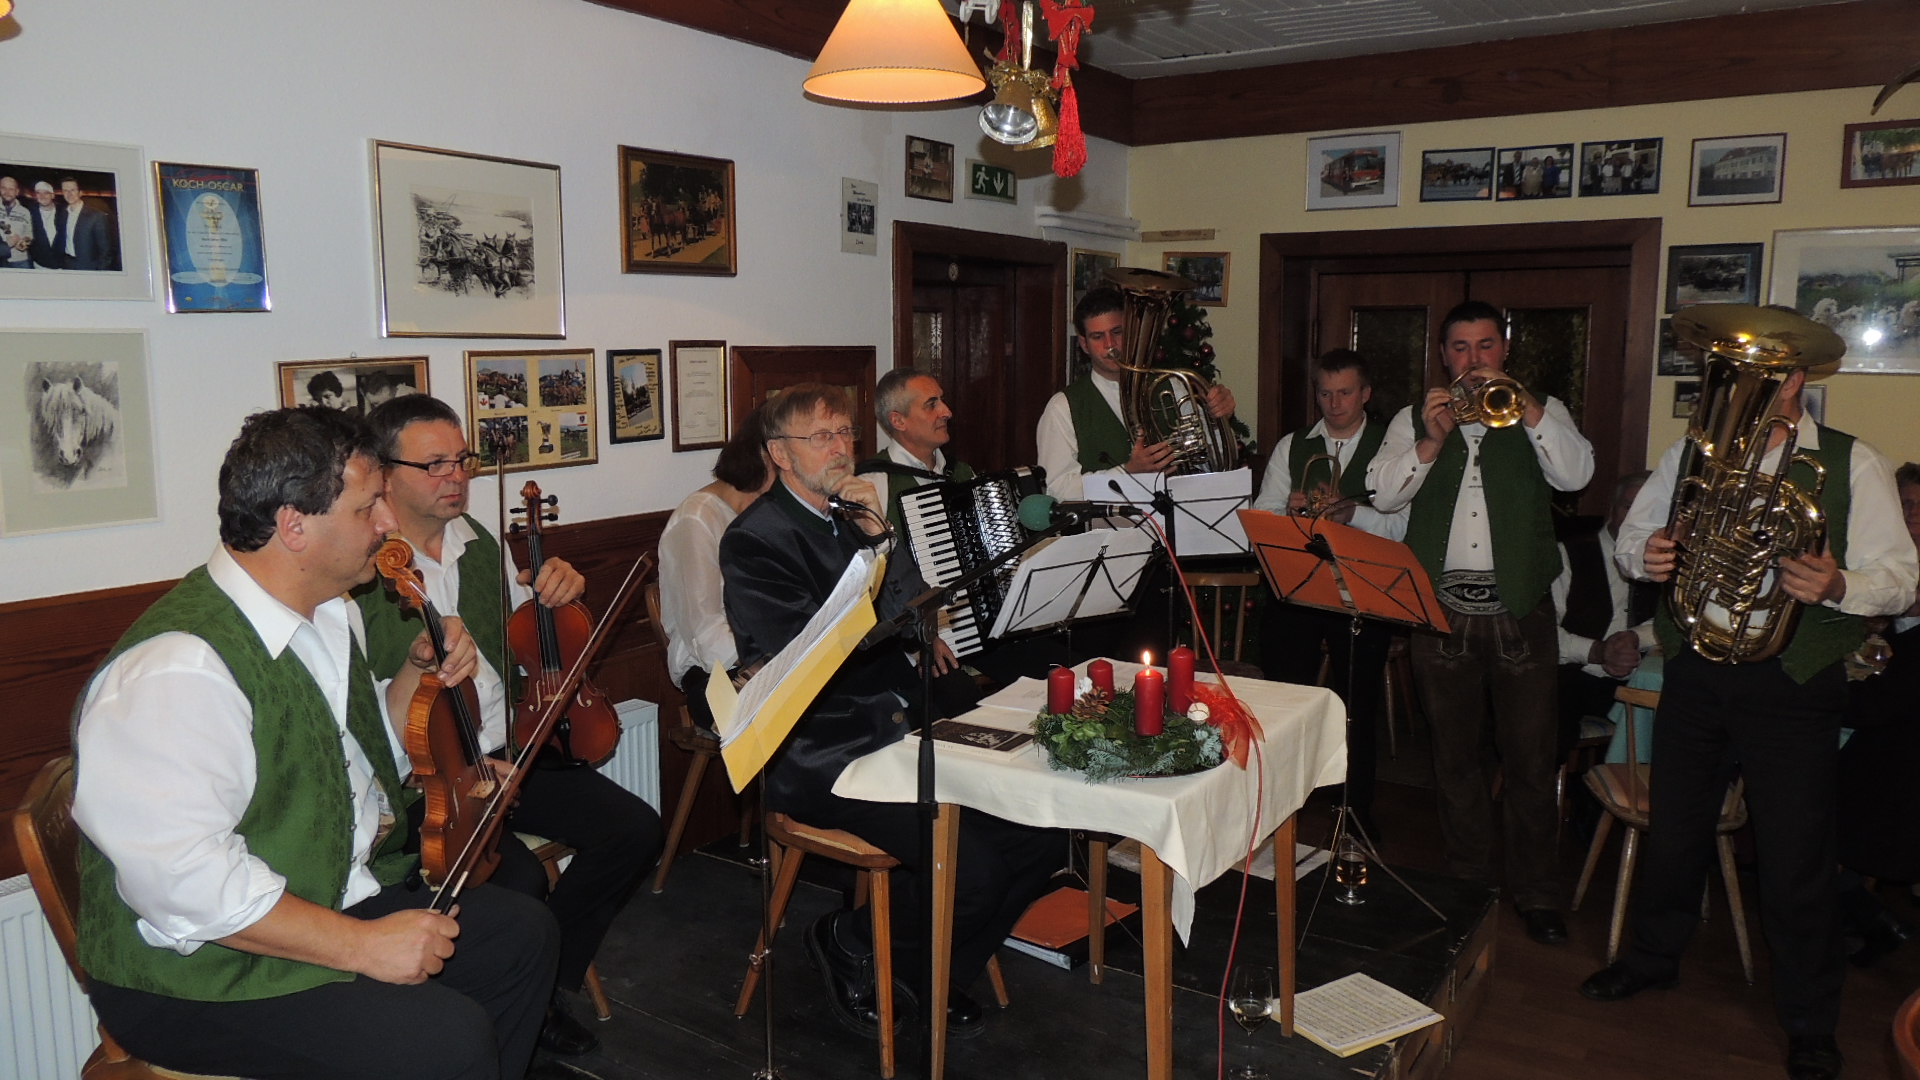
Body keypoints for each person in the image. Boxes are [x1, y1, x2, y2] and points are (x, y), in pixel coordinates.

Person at [70, 406, 560, 1080]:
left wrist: (417, 672)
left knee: (522, 936)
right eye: (367, 508)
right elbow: (187, 885)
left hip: (323, 894)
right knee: (446, 1039)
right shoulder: (178, 670)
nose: (387, 524)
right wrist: (362, 946)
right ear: (294, 525)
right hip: (195, 972)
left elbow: (363, 754)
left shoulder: (332, 611)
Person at [1581, 353, 1917, 1080]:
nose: (1736, 389)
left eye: (1757, 374)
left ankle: (1809, 1021)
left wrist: (1838, 584)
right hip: (1698, 670)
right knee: (1675, 828)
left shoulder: (1852, 462)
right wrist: (1650, 555)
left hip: (1792, 681)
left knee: (1796, 855)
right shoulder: (1693, 454)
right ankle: (1653, 957)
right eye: (1728, 373)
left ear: (1794, 381)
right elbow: (1636, 540)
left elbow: (1900, 579)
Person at [720, 383, 1060, 1041]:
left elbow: (919, 612)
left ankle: (928, 972)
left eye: (845, 434)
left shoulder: (857, 517)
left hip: (903, 726)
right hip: (824, 749)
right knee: (974, 871)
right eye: (821, 437)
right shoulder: (755, 540)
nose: (840, 449)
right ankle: (849, 937)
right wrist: (877, 562)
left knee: (1042, 835)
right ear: (780, 455)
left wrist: (880, 538)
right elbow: (813, 656)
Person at [356, 394, 663, 1056]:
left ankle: (541, 983)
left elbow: (525, 634)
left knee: (634, 829)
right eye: (434, 465)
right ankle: (522, 995)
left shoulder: (478, 541)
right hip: (430, 776)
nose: (456, 476)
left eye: (461, 460)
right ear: (384, 474)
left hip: (509, 748)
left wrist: (556, 589)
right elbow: (362, 709)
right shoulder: (360, 569)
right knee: (519, 883)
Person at [1366, 300, 1595, 946]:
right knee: (1454, 760)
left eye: (1485, 346)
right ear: (1443, 356)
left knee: (1531, 760)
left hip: (1521, 611)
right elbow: (1383, 493)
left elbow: (1577, 473)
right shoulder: (1413, 418)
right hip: (1441, 613)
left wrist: (1528, 408)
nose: (1474, 360)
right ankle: (1467, 883)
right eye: (1461, 348)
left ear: (1505, 349)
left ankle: (1537, 892)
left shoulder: (1541, 408)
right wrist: (1431, 441)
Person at [1252, 349, 1405, 838]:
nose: (1335, 403)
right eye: (1325, 393)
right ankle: (1278, 804)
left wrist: (1352, 515)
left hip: (1363, 589)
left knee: (1356, 703)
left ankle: (1354, 809)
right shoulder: (1293, 445)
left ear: (1366, 394)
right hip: (1299, 585)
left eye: (1345, 393)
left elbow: (1403, 527)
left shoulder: (1391, 448)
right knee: (1285, 697)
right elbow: (1260, 515)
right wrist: (1288, 512)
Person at [1036, 283, 1237, 502]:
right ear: (1084, 344)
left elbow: (1213, 463)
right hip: (1109, 523)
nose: (1110, 345)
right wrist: (1127, 472)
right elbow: (1057, 490)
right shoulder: (1062, 407)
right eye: (1097, 336)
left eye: (1117, 332)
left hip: (1179, 516)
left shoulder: (1173, 386)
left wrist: (1217, 419)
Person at [1833, 461, 1920, 969]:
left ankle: (1865, 914)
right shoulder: (1880, 562)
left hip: (1897, 762)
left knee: (1806, 797)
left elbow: (1878, 704)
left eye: (1917, 508)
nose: (1910, 518)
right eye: (1902, 505)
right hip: (1885, 737)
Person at [658, 403, 774, 731]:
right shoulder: (697, 519)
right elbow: (707, 637)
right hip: (714, 676)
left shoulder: (768, 513)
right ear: (765, 456)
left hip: (765, 658)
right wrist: (774, 655)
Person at [1551, 471, 1658, 730]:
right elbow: (1542, 634)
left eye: (1647, 511)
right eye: (1628, 507)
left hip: (1639, 682)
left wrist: (1636, 637)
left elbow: (1676, 623)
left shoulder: (1667, 561)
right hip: (1577, 677)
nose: (1635, 519)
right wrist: (1598, 651)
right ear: (1612, 508)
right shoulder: (1567, 554)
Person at [857, 367, 974, 534]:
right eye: (931, 404)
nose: (947, 412)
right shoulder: (871, 484)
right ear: (898, 421)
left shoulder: (963, 473)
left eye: (942, 401)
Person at [59, 177, 115, 271]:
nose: (69, 194)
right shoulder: (63, 213)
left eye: (73, 190)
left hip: (88, 267)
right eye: (65, 190)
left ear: (80, 192)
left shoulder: (97, 216)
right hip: (67, 264)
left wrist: (101, 272)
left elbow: (106, 251)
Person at [27, 180, 62, 268]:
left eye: (46, 193)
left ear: (53, 195)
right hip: (39, 264)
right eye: (38, 193)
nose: (42, 196)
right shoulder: (29, 213)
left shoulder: (64, 212)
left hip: (62, 264)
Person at [0, 176, 32, 268]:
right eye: (3, 188)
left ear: (17, 191)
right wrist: (7, 244)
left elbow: (29, 234)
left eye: (11, 189)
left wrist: (24, 243)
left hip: (20, 260)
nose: (7, 192)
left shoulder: (25, 212)